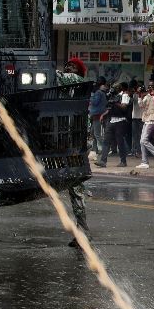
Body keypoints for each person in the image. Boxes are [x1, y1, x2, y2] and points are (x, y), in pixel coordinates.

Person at [56, 58, 93, 247]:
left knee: (76, 188)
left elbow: (56, 75)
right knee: (74, 187)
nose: (68, 67)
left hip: (76, 141)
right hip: (71, 140)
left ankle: (83, 232)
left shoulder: (75, 81)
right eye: (67, 64)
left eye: (72, 66)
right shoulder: (67, 90)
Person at [94, 83, 130, 168]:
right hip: (112, 120)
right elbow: (109, 108)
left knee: (120, 142)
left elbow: (124, 107)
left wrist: (116, 102)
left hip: (120, 121)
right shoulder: (112, 96)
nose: (112, 89)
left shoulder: (124, 95)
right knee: (106, 141)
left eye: (114, 88)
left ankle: (123, 161)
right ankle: (103, 161)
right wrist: (103, 114)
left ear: (119, 88)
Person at [135, 82, 154, 169]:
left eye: (151, 86)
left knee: (144, 140)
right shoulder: (147, 96)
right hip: (146, 119)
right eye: (149, 86)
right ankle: (144, 162)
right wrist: (140, 96)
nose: (150, 87)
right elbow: (141, 106)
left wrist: (153, 95)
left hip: (152, 119)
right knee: (142, 141)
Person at [86, 68, 107, 157]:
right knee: (94, 134)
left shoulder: (98, 92)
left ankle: (103, 150)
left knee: (97, 134)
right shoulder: (102, 92)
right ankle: (95, 150)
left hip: (97, 115)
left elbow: (95, 102)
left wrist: (90, 97)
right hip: (97, 115)